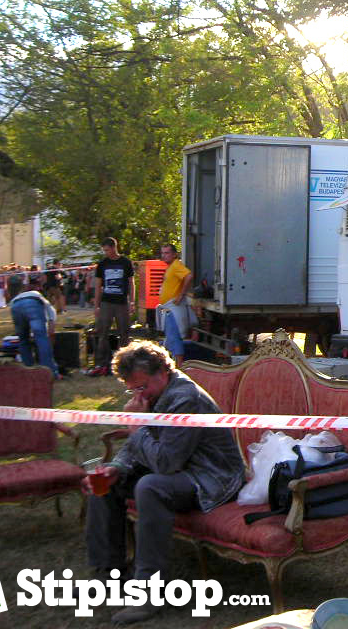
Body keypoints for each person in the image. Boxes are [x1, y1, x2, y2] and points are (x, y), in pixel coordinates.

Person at [83, 340, 244, 625]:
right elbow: (146, 448)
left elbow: (166, 462)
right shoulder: (154, 395)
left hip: (211, 477)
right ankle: (110, 572)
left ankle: (149, 592)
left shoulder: (185, 399)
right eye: (132, 389)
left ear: (163, 372)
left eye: (142, 387)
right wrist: (117, 467)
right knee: (106, 479)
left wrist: (139, 427)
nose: (138, 394)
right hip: (178, 467)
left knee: (151, 487)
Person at [89, 238, 136, 377]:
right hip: (106, 303)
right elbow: (98, 286)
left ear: (114, 247)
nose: (106, 253)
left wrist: (132, 302)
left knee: (124, 333)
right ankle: (101, 363)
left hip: (122, 302)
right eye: (104, 250)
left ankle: (125, 363)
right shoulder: (102, 264)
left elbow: (131, 283)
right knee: (102, 332)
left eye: (107, 250)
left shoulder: (126, 262)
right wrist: (96, 306)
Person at [9, 285, 59, 378]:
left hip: (14, 305)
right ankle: (49, 372)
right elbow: (51, 332)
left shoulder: (28, 295)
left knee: (23, 340)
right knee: (41, 338)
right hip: (32, 303)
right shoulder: (46, 303)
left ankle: (28, 371)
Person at [157, 243, 193, 368]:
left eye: (167, 253)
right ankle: (173, 365)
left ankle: (179, 367)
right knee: (170, 338)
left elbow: (189, 275)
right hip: (168, 308)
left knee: (175, 337)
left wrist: (181, 295)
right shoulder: (170, 267)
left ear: (174, 254)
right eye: (162, 253)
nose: (164, 256)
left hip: (173, 309)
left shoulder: (176, 265)